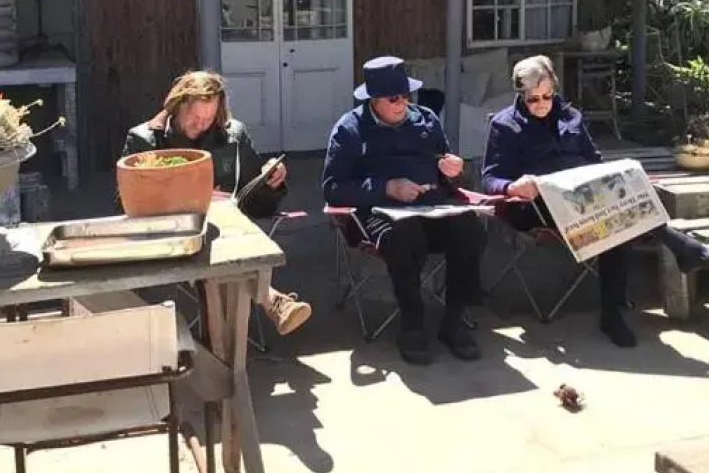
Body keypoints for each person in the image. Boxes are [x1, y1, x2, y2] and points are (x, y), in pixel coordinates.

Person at [481, 55, 709, 348]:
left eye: (547, 96)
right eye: (533, 99)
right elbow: (490, 178)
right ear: (521, 95)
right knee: (614, 215)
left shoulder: (570, 117)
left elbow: (595, 161)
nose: (541, 104)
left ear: (555, 90)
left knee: (616, 213)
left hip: (585, 198)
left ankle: (616, 310)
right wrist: (513, 186)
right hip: (536, 207)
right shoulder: (505, 125)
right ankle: (684, 250)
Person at [322, 56, 485, 366]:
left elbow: (447, 173)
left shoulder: (425, 120)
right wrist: (386, 187)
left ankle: (454, 320)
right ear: (373, 100)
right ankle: (412, 324)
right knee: (405, 237)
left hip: (429, 207)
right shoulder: (350, 130)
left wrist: (452, 172)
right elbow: (332, 187)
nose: (402, 104)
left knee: (469, 228)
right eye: (393, 98)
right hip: (379, 213)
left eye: (406, 96)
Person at [122, 70, 311, 336]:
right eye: (195, 118)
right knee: (212, 249)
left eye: (208, 119)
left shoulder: (233, 135)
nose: (201, 125)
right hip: (169, 233)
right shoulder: (144, 140)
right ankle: (272, 301)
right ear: (177, 107)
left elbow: (254, 202)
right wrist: (188, 196)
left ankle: (223, 345)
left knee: (219, 241)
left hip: (227, 229)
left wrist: (270, 183)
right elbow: (127, 203)